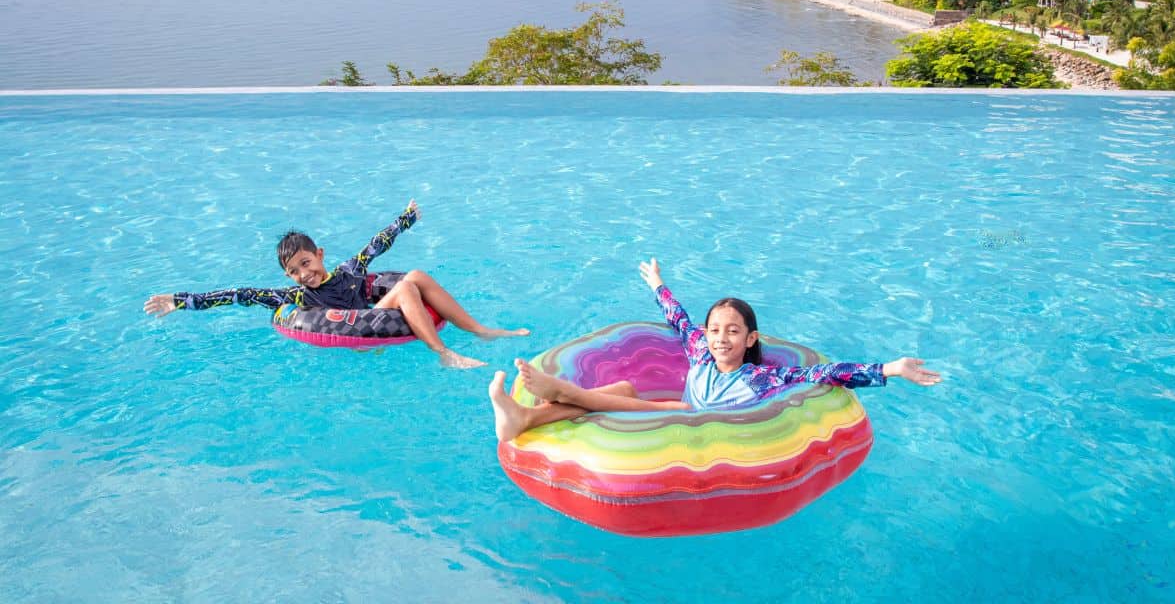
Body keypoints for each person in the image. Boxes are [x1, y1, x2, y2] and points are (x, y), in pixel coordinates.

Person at [490, 257, 941, 439]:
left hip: (694, 423)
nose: (720, 338)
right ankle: (526, 418)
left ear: (751, 339)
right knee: (624, 389)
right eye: (715, 330)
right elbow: (679, 319)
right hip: (676, 407)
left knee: (601, 401)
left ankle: (562, 390)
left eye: (732, 331)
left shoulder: (765, 377)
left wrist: (891, 368)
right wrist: (659, 284)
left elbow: (826, 373)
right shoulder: (701, 351)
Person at [145, 200, 529, 369]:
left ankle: (481, 330)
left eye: (307, 263)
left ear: (321, 255)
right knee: (409, 288)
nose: (304, 274)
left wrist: (406, 219)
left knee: (416, 276)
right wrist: (180, 301)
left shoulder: (350, 271)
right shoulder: (293, 296)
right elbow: (238, 294)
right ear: (288, 277)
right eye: (295, 271)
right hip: (360, 337)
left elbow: (378, 243)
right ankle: (444, 354)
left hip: (376, 320)